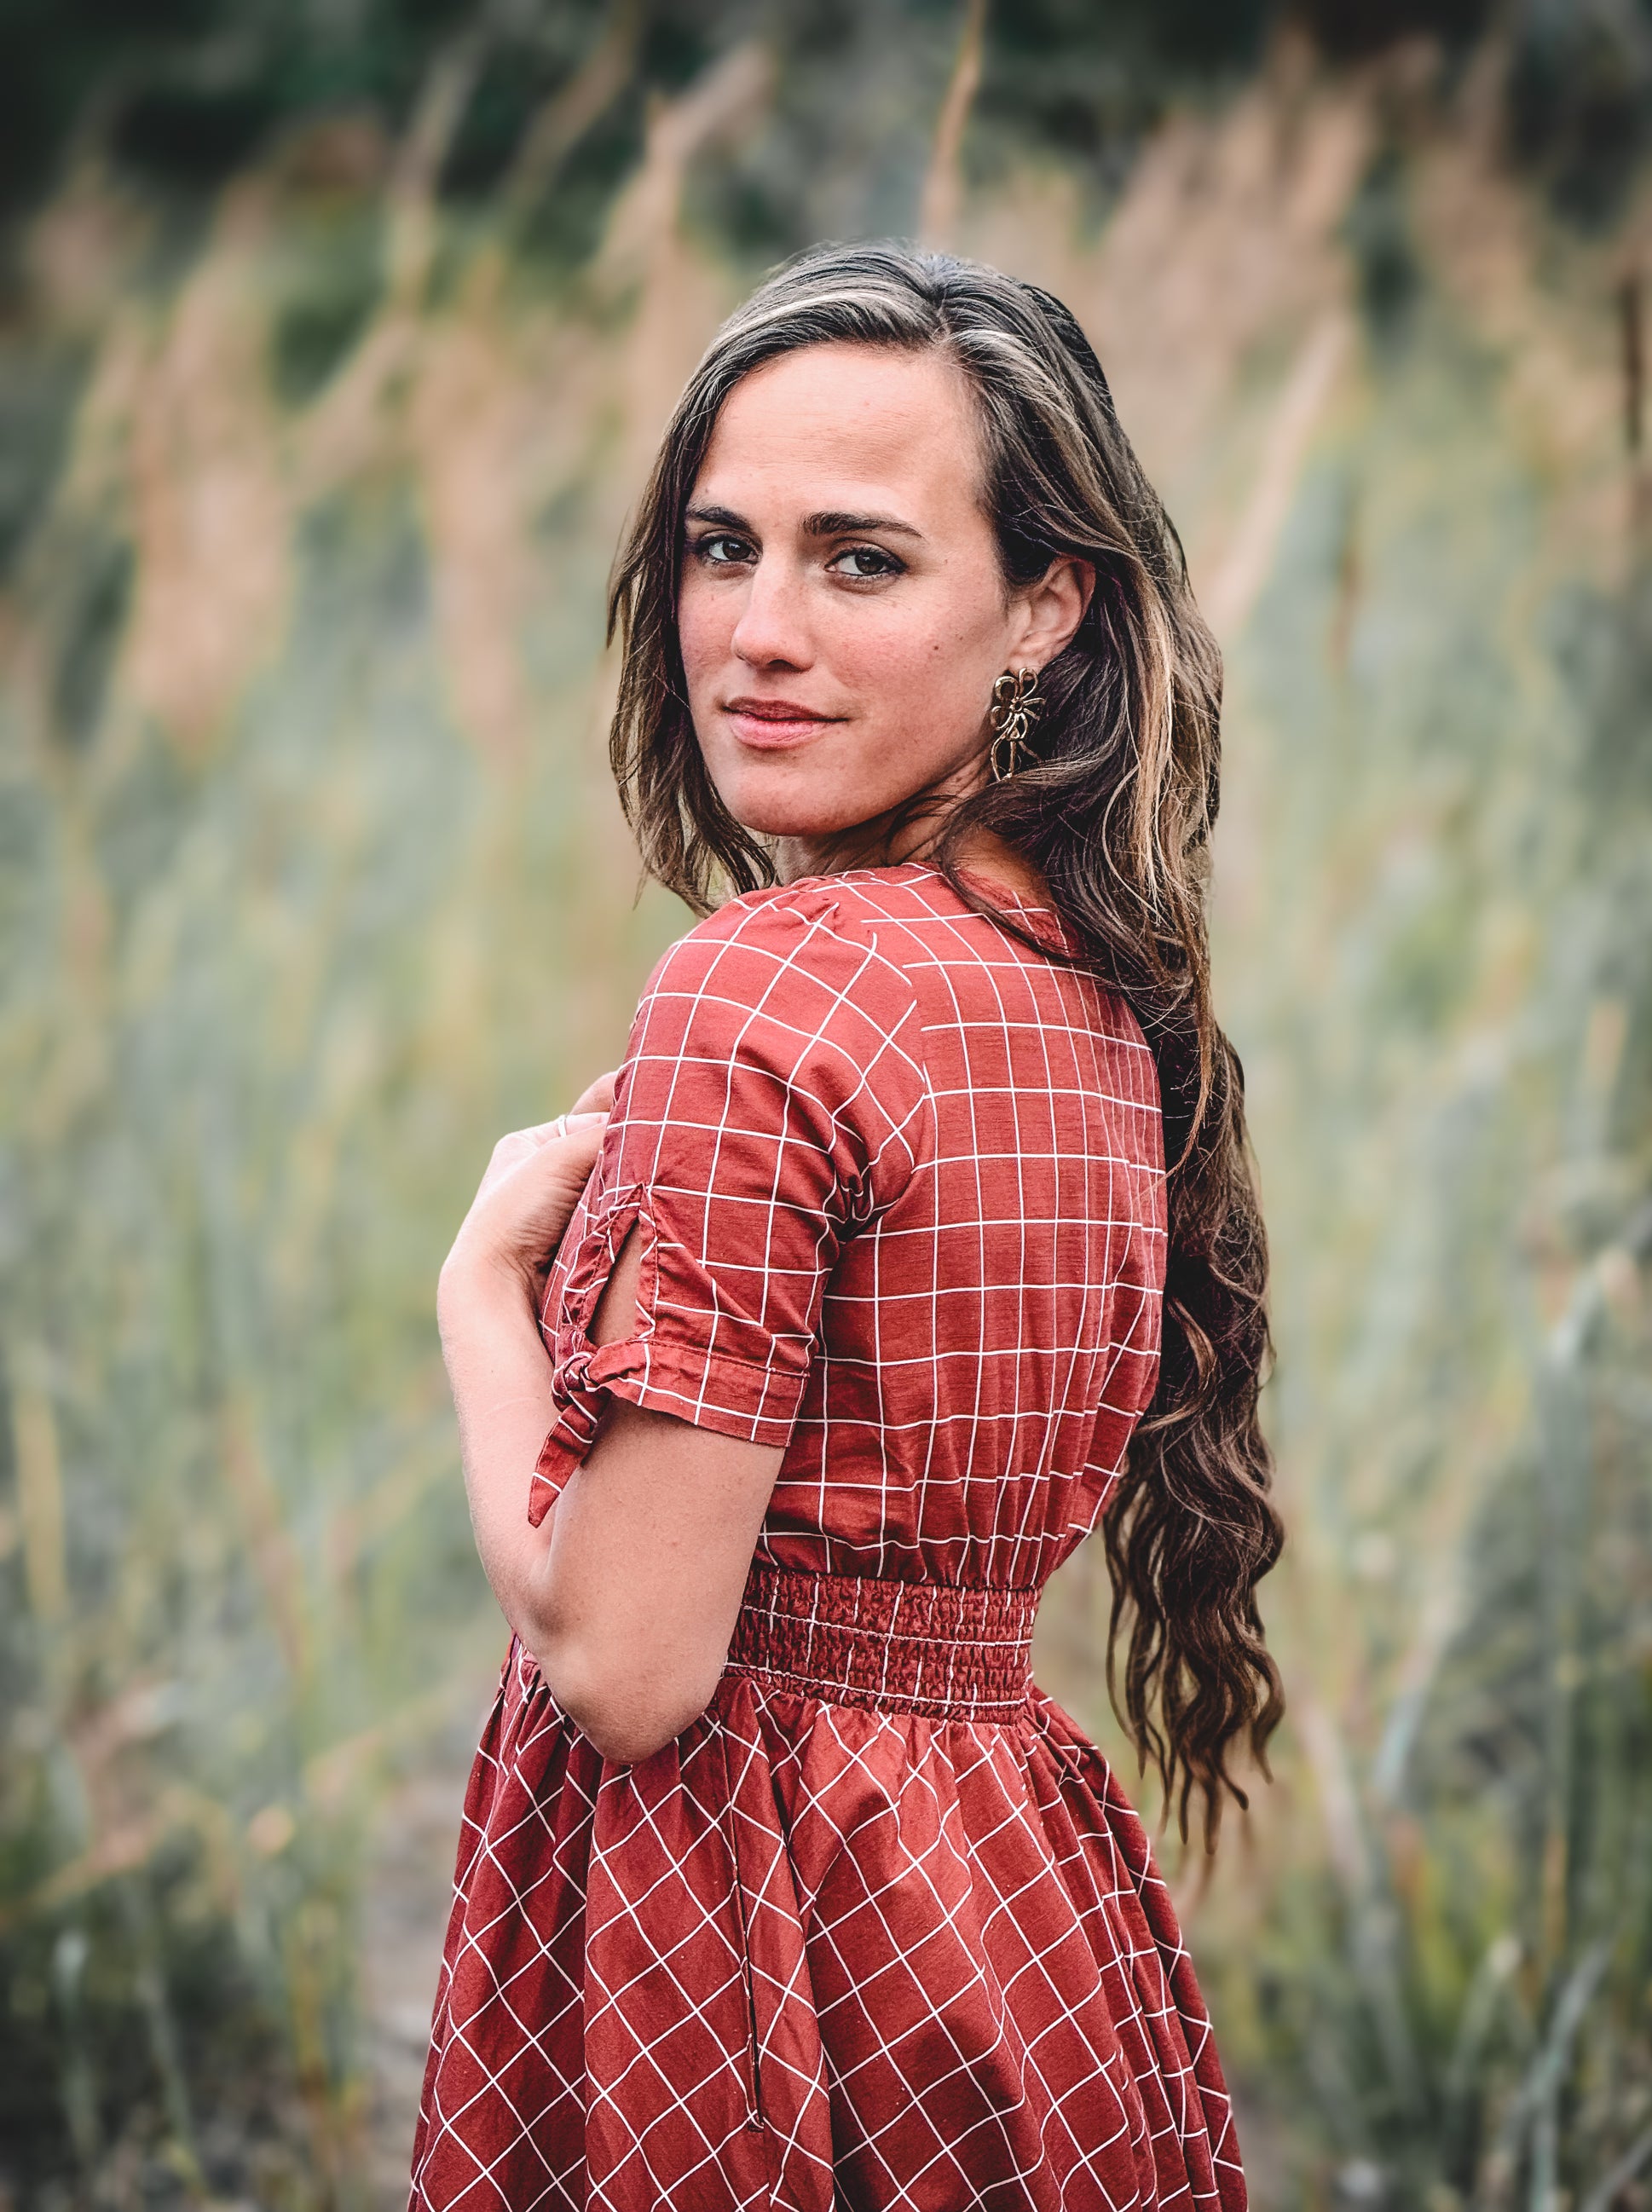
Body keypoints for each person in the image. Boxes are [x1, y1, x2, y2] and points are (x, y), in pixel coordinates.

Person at [409, 242, 1283, 2212]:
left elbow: (628, 1665)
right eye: (723, 546)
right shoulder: (1094, 997)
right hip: (1007, 1909)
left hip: (742, 1927)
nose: (755, 632)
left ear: (1046, 603)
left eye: (860, 559)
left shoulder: (768, 988)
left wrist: (478, 1289)